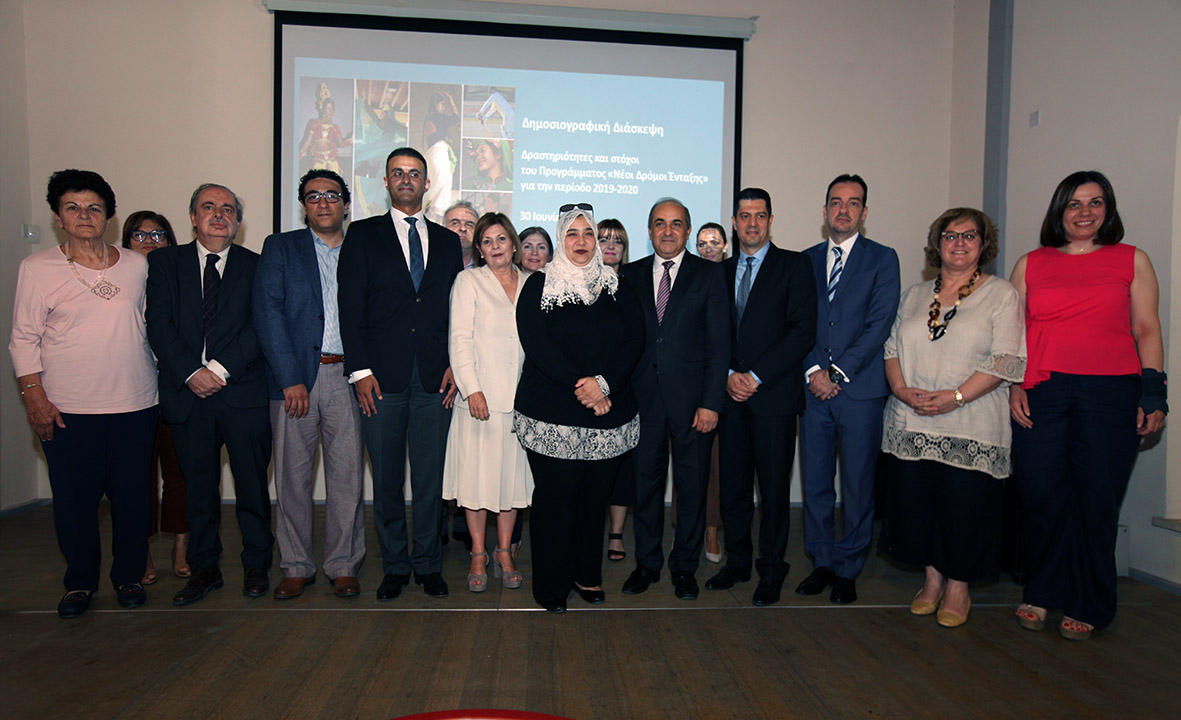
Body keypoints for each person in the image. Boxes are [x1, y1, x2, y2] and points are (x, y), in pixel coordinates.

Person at [1009, 171, 1166, 640]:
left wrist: (1154, 393)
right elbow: (1011, 335)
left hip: (1111, 392)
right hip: (1042, 389)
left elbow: (1147, 328)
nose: (1084, 212)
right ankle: (1041, 589)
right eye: (1074, 203)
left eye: (1095, 202)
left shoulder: (1132, 259)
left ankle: (1089, 601)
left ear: (1107, 210)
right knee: (1041, 493)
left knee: (1097, 499)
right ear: (1059, 210)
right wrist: (1014, 384)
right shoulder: (1030, 263)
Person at [10, 169, 159, 618]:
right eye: (73, 207)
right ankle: (79, 582)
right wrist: (34, 398)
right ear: (58, 217)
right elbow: (23, 338)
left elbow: (151, 327)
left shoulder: (136, 265)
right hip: (67, 408)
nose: (84, 215)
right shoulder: (37, 269)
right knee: (75, 503)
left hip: (136, 403)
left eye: (94, 208)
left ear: (108, 217)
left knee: (133, 499)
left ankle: (128, 576)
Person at [879, 207, 1025, 628]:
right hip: (912, 420)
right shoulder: (915, 294)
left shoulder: (1001, 294)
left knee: (965, 509)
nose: (959, 243)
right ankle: (931, 581)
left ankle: (958, 587)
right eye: (950, 235)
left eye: (969, 235)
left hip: (971, 423)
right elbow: (892, 349)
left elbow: (1007, 360)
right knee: (919, 505)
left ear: (983, 244)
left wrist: (956, 397)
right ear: (937, 244)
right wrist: (901, 390)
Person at [338, 147, 464, 602]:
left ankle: (428, 564)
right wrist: (359, 371)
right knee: (387, 480)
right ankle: (394, 566)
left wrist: (455, 363)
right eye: (398, 173)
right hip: (379, 381)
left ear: (427, 184)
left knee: (430, 481)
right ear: (387, 182)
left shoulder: (447, 241)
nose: (406, 179)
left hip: (435, 380)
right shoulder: (362, 234)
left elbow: (456, 310)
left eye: (414, 173)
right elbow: (350, 307)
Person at [147, 183, 274, 606]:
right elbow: (158, 323)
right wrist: (191, 373)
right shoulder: (165, 263)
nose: (219, 215)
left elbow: (261, 325)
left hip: (243, 394)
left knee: (252, 487)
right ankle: (204, 569)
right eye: (209, 207)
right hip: (188, 396)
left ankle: (257, 564)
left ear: (238, 221)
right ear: (193, 217)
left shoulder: (257, 265)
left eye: (227, 209)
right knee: (198, 490)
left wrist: (217, 370)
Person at [514, 203, 643, 613]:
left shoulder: (618, 286)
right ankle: (551, 584)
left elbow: (634, 341)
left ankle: (587, 575)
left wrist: (603, 385)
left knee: (593, 502)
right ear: (561, 238)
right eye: (573, 233)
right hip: (552, 413)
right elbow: (538, 345)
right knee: (556, 502)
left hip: (609, 412)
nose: (582, 241)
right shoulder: (539, 285)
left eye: (589, 233)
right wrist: (584, 386)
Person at [253, 169, 366, 601]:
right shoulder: (281, 247)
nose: (323, 203)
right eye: (313, 196)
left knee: (347, 478)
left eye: (332, 195)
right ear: (303, 205)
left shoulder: (362, 249)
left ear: (345, 204)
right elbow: (268, 313)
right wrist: (289, 378)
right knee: (292, 478)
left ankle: (343, 564)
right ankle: (296, 565)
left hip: (348, 378)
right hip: (295, 380)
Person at [706, 187, 816, 607]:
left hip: (773, 398)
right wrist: (728, 377)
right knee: (733, 490)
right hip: (729, 399)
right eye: (745, 216)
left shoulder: (795, 266)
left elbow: (801, 332)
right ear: (734, 223)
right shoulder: (718, 272)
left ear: (770, 221)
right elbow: (710, 333)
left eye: (760, 215)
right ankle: (738, 562)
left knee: (772, 492)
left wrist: (754, 376)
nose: (752, 223)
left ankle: (771, 569)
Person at [796, 175, 900, 605]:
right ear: (824, 211)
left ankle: (849, 567)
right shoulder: (804, 260)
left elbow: (880, 322)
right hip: (812, 390)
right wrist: (813, 370)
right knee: (816, 483)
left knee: (858, 484)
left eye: (853, 203)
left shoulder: (883, 258)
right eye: (836, 202)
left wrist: (836, 373)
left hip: (860, 391)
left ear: (864, 212)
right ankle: (822, 561)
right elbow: (796, 322)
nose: (844, 210)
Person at [618, 199, 729, 600]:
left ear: (687, 230)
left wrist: (712, 402)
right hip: (643, 403)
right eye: (660, 224)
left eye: (676, 224)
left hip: (693, 405)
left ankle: (684, 567)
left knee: (692, 488)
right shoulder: (629, 275)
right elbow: (623, 342)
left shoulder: (709, 274)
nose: (668, 231)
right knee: (645, 489)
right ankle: (647, 565)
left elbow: (719, 344)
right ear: (649, 231)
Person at [443, 213, 533, 592]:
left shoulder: (532, 282)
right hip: (479, 401)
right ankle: (478, 553)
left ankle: (504, 551)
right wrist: (472, 388)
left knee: (511, 483)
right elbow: (459, 339)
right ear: (479, 249)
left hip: (522, 401)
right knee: (477, 482)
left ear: (513, 243)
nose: (495, 247)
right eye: (487, 241)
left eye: (501, 239)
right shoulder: (469, 281)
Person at [121, 211, 190, 584]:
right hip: (131, 391)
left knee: (181, 473)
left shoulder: (182, 279)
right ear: (126, 241)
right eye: (139, 235)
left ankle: (181, 545)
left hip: (176, 388)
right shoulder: (118, 282)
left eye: (158, 234)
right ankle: (141, 551)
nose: (149, 241)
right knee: (137, 477)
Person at [594, 217, 634, 562]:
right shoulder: (579, 283)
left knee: (622, 467)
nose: (610, 246)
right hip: (587, 391)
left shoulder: (633, 285)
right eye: (603, 239)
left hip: (624, 387)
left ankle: (617, 533)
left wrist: (611, 382)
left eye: (617, 240)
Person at [695, 222, 729, 563]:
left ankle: (713, 530)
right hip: (695, 386)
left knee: (721, 467)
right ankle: (692, 529)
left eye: (714, 242)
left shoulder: (733, 277)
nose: (708, 249)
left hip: (735, 386)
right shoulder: (690, 278)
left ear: (726, 246)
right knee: (694, 464)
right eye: (702, 243)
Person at [444, 200, 479, 270]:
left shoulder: (489, 269)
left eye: (469, 225)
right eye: (455, 223)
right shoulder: (429, 264)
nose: (463, 228)